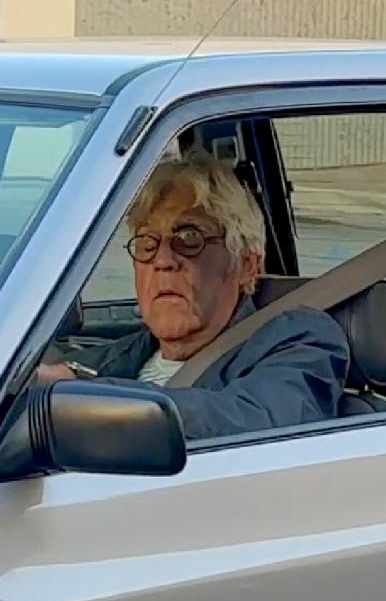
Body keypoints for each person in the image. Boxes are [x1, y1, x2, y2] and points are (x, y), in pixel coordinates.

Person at [28, 153, 351, 439]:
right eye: (147, 243)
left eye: (188, 239)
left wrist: (83, 395)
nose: (163, 261)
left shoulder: (300, 337)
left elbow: (258, 422)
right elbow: (60, 375)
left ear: (246, 265)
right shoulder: (131, 351)